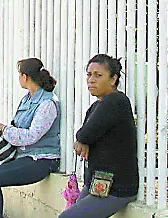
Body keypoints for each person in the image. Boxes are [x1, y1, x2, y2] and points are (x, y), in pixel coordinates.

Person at [0, 58, 61, 218]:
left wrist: (5, 129)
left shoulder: (48, 103)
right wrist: (3, 131)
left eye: (19, 75)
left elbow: (31, 135)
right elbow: (18, 127)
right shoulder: (27, 99)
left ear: (25, 77)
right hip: (26, 157)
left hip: (42, 160)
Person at [58, 54, 138, 218]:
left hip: (116, 188)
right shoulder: (97, 105)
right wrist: (84, 139)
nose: (91, 80)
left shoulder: (116, 101)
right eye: (89, 74)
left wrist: (84, 139)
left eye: (98, 75)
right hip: (98, 184)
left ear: (113, 79)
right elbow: (86, 134)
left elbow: (85, 134)